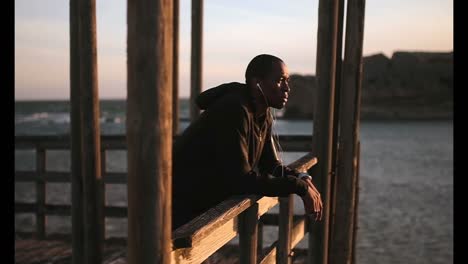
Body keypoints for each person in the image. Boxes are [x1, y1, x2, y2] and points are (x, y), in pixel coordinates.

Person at [172, 54, 323, 229]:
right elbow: (241, 180)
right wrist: (299, 188)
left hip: (198, 207)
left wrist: (302, 177)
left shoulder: (261, 113)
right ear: (256, 83)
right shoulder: (234, 110)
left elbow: (270, 164)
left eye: (287, 81)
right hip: (177, 206)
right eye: (280, 80)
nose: (286, 88)